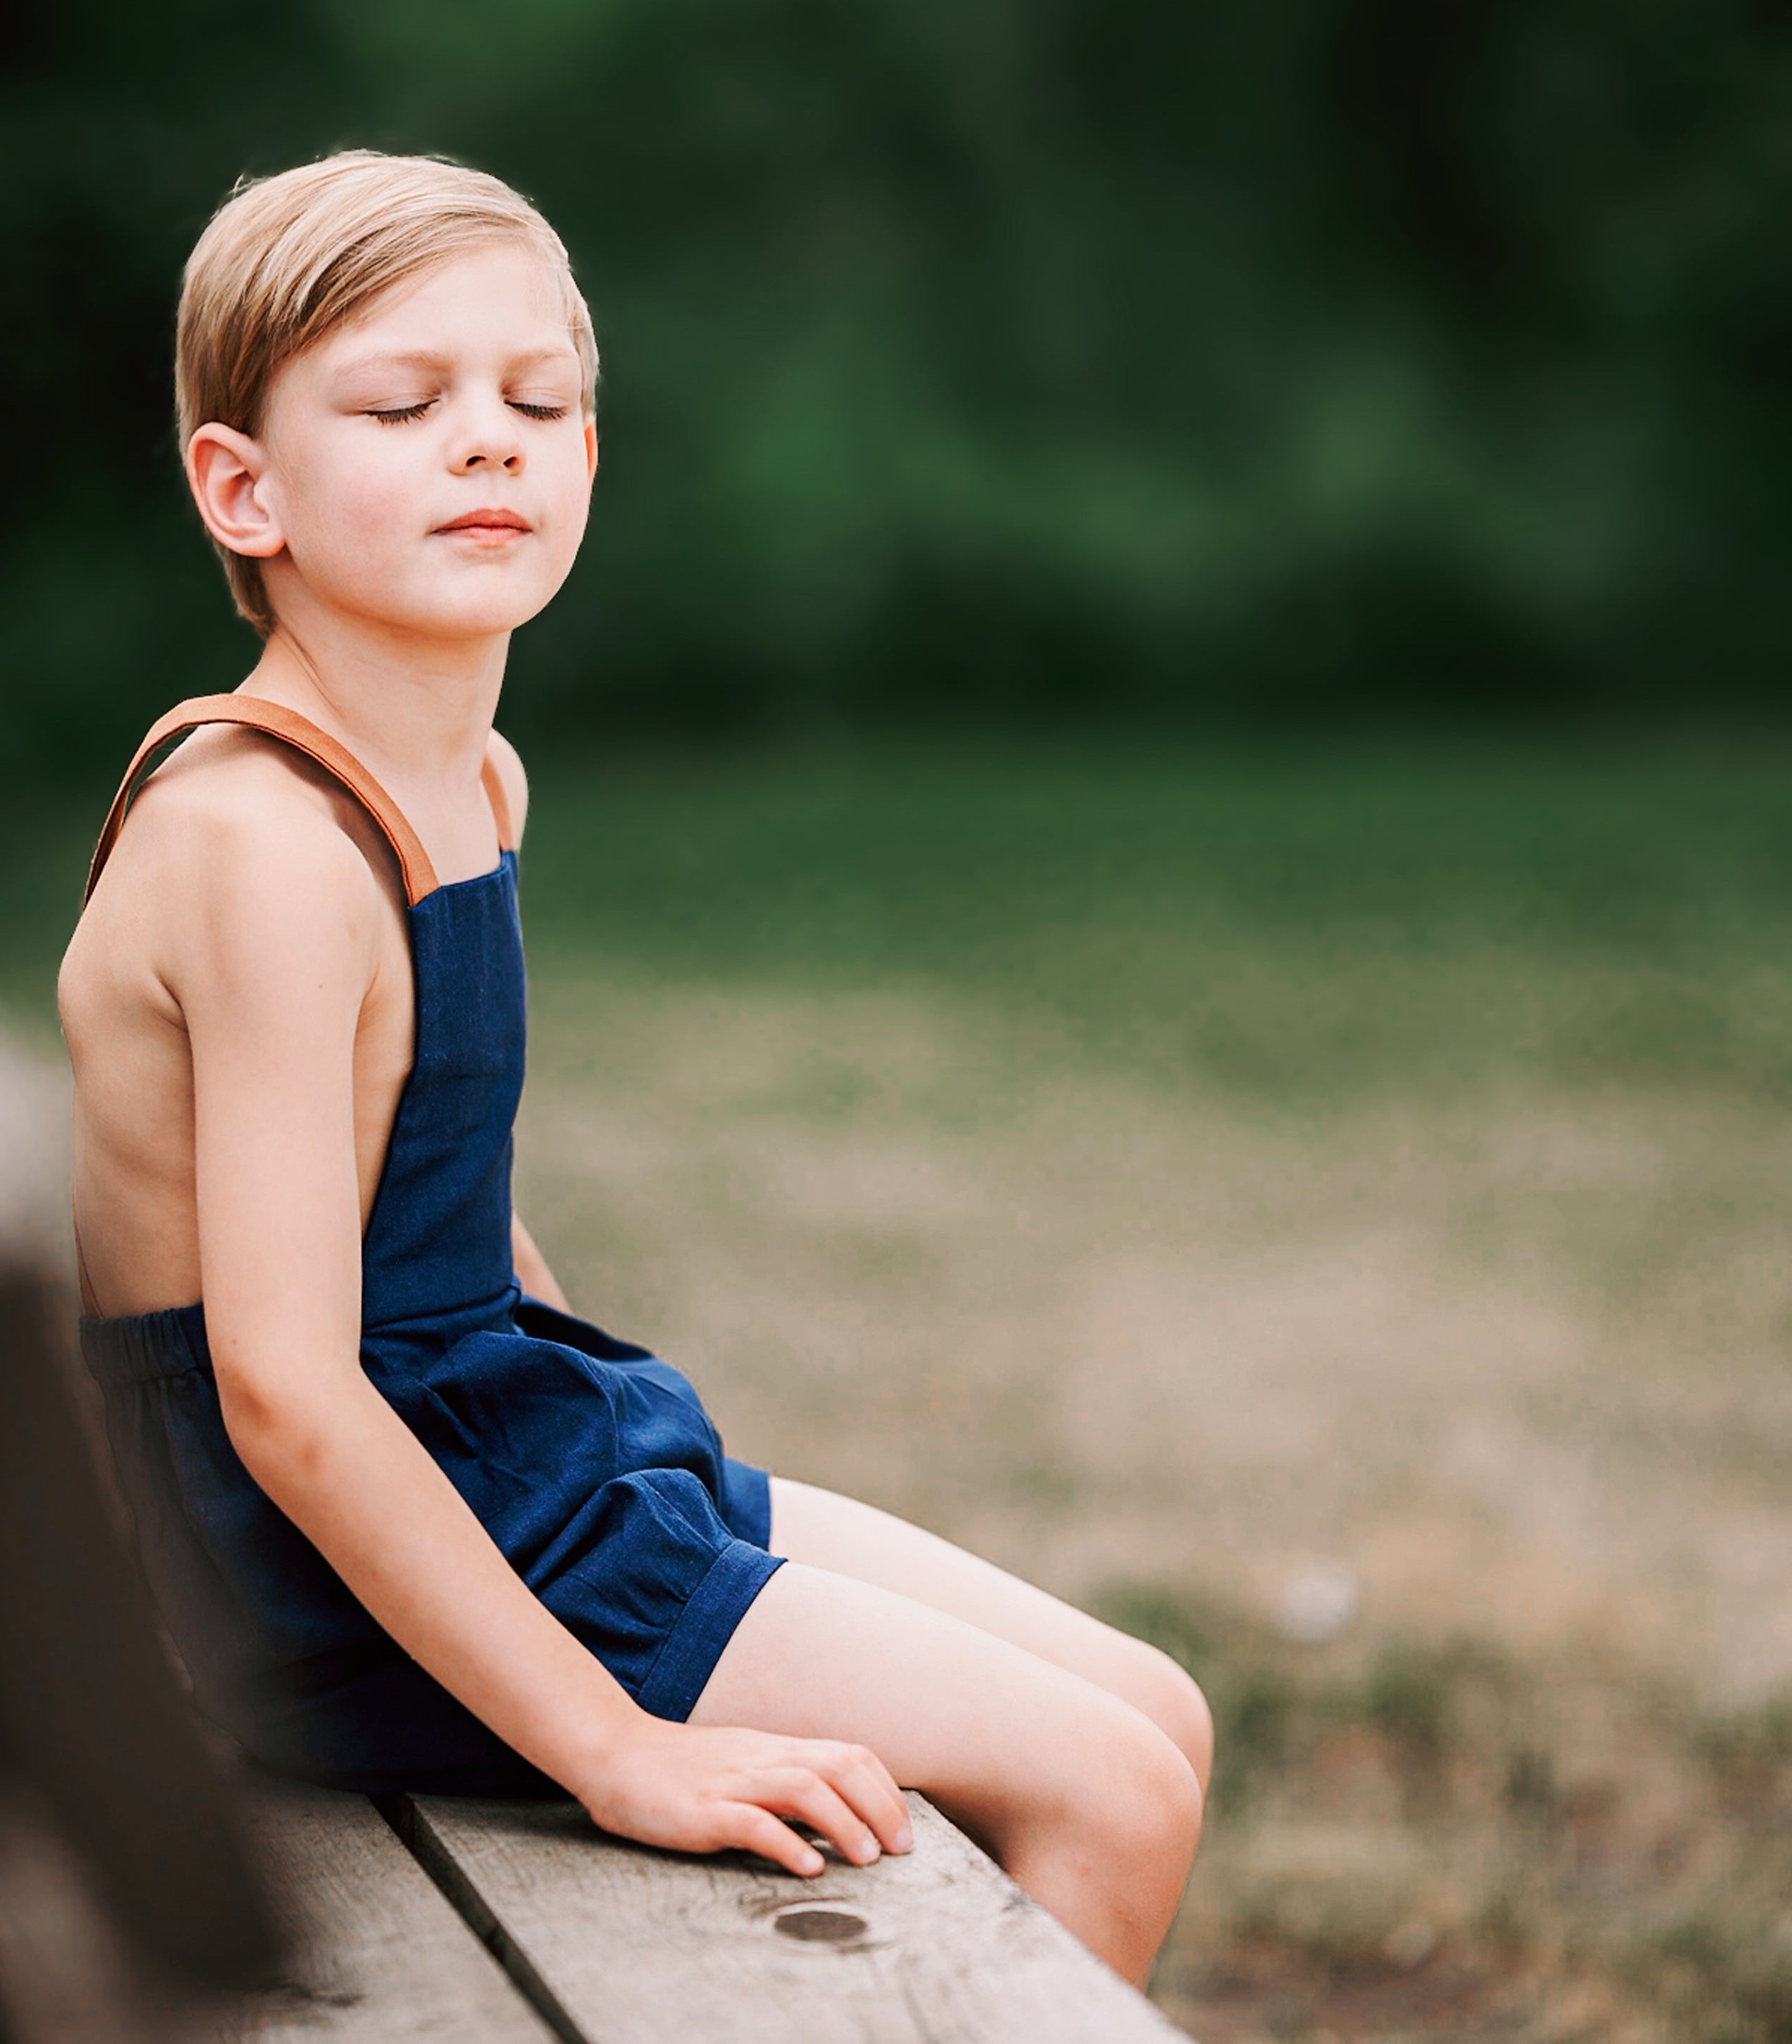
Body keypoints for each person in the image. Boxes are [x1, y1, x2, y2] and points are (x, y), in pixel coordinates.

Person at [60, 151, 1209, 1982]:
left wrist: (629, 1454)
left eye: (539, 401)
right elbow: (285, 1393)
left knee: (1157, 1709)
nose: (489, 443)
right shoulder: (263, 848)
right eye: (404, 403)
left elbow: (443, 1205)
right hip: (321, 1565)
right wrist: (614, 1744)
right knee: (1111, 1792)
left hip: (507, 1446)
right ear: (243, 486)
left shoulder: (475, 780)